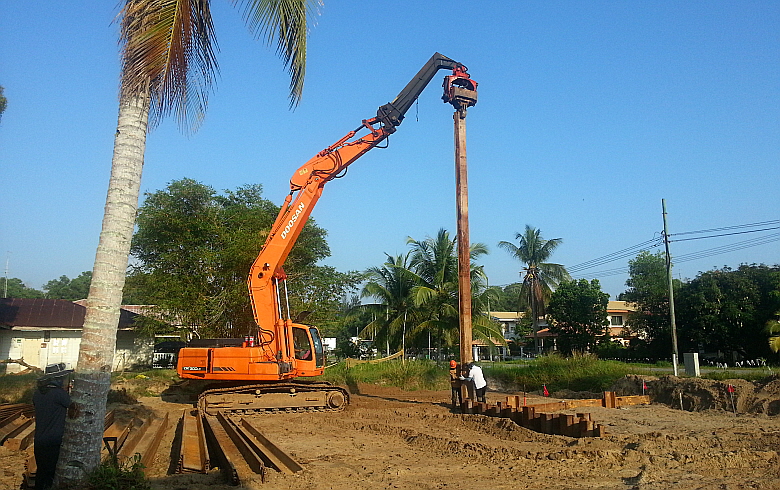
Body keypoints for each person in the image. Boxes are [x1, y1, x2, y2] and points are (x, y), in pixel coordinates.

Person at [33, 363, 72, 490]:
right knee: (52, 475)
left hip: (39, 440)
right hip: (55, 440)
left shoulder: (37, 394)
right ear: (57, 379)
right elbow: (73, 406)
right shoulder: (60, 394)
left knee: (41, 473)